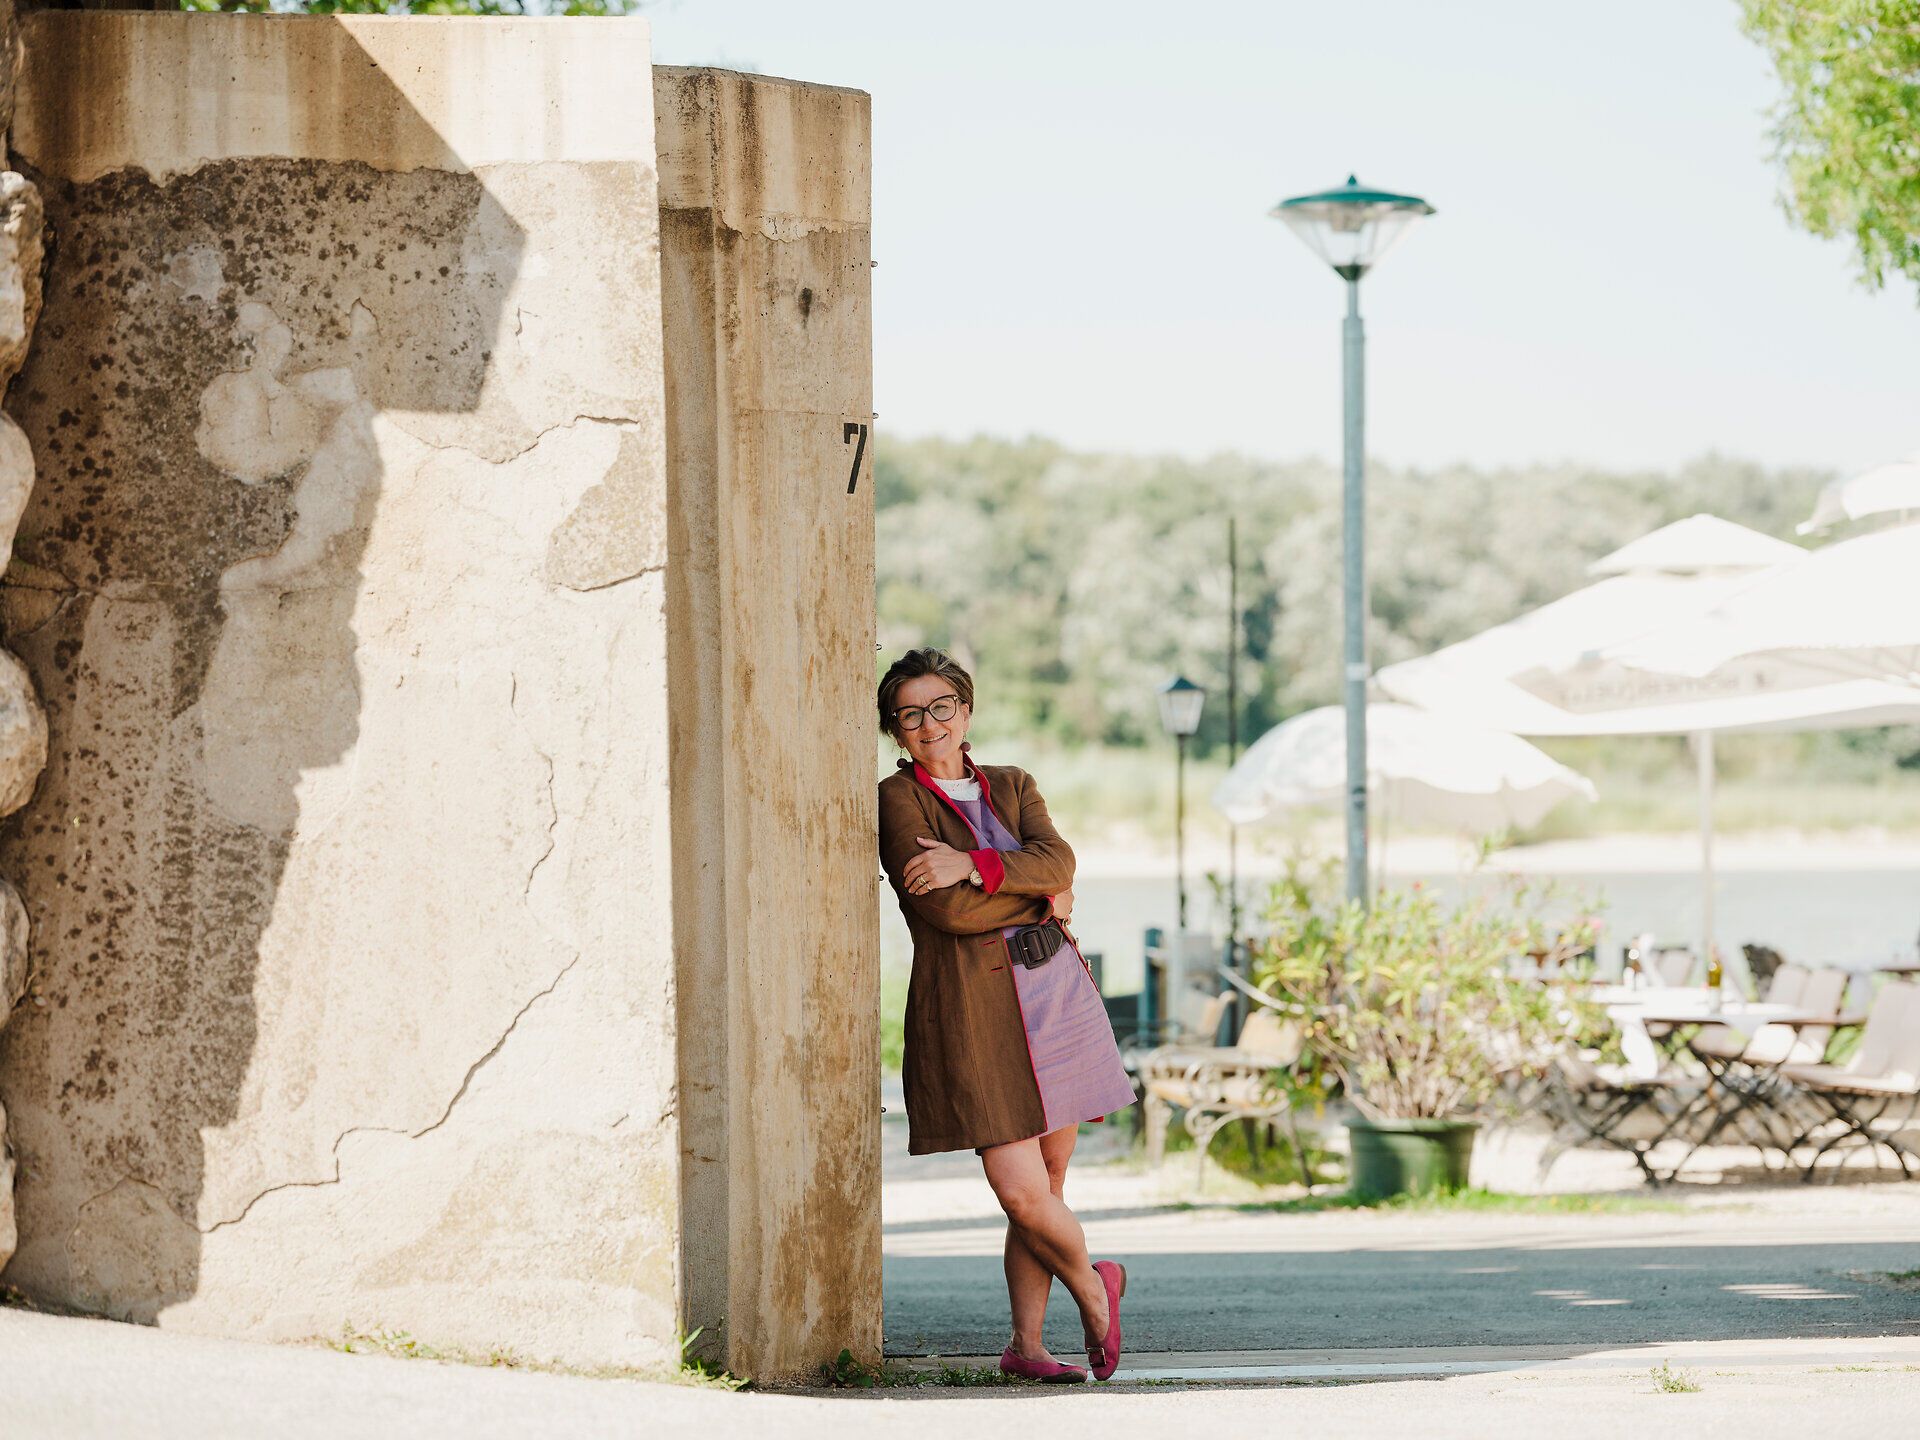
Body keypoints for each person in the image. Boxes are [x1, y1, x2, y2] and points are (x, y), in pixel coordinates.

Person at [876, 647, 1136, 1384]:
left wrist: (973, 863)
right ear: (896, 731)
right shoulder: (898, 800)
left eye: (941, 707)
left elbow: (1061, 862)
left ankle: (1027, 1345)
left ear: (965, 710)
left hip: (1056, 993)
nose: (929, 724)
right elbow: (948, 912)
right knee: (1020, 1189)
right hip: (976, 1009)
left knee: (1048, 1184)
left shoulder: (1015, 784)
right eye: (910, 715)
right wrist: (1038, 897)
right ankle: (1095, 1286)